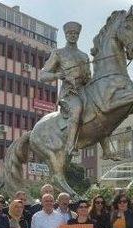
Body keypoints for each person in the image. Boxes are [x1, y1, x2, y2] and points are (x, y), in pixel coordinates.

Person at [39, 21, 91, 155]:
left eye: (75, 33)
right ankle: (69, 146)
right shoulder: (58, 53)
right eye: (70, 33)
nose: (73, 35)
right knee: (77, 110)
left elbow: (88, 78)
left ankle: (107, 150)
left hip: (84, 92)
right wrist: (57, 74)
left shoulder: (84, 56)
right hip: (69, 93)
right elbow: (43, 75)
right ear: (66, 35)